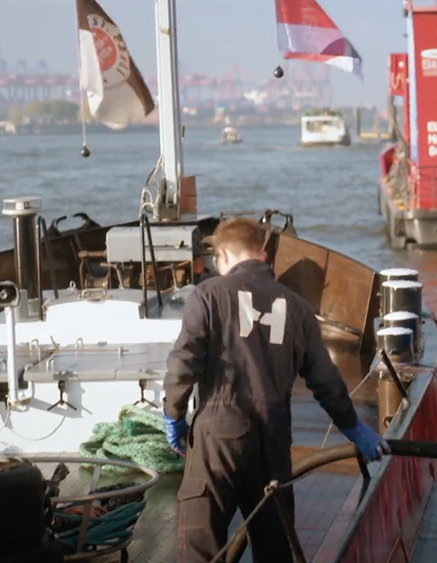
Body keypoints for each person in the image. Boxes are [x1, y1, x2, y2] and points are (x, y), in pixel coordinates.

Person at [162, 217, 388, 563]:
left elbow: (184, 361)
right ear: (265, 254)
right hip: (273, 437)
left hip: (217, 436)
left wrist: (174, 413)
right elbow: (325, 380)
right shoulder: (297, 307)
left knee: (201, 543)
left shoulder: (208, 294)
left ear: (222, 256)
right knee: (274, 545)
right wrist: (353, 428)